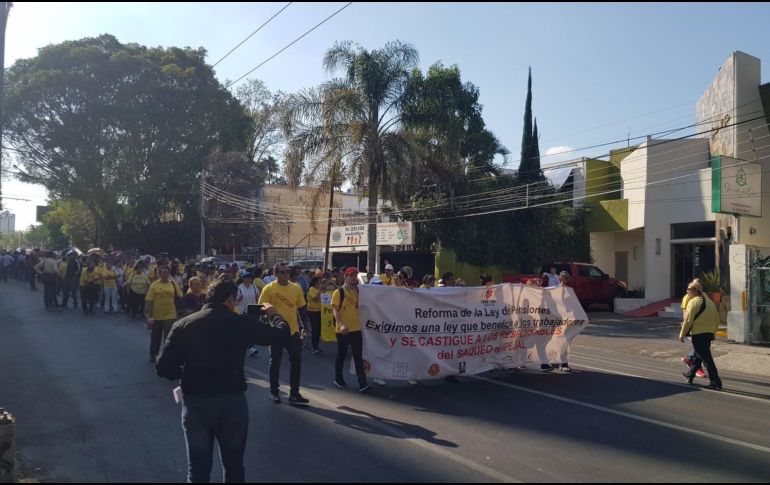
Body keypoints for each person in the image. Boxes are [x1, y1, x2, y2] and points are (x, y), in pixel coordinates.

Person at [156, 280, 290, 483]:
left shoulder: (184, 324)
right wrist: (274, 315)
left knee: (198, 470)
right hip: (231, 404)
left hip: (196, 404)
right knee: (234, 467)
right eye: (235, 299)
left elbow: (163, 367)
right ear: (229, 299)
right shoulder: (241, 322)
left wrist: (187, 372)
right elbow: (280, 335)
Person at [258, 262, 309, 405]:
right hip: (276, 331)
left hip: (293, 331)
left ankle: (294, 393)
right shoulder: (268, 289)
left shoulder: (296, 288)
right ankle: (274, 392)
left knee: (297, 361)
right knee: (275, 362)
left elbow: (302, 309)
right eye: (282, 272)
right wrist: (266, 326)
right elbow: (261, 310)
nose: (285, 274)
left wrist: (304, 327)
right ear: (275, 274)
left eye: (287, 272)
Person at [332, 267, 372, 393]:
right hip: (343, 330)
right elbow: (335, 310)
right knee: (341, 355)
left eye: (355, 275)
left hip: (356, 328)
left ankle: (362, 383)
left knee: (357, 356)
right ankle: (338, 378)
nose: (354, 278)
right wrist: (341, 324)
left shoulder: (359, 291)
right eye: (351, 275)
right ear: (346, 276)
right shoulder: (339, 292)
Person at [679, 282, 723, 390]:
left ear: (695, 291)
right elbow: (717, 319)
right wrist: (713, 331)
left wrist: (682, 334)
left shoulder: (693, 303)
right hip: (708, 333)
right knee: (700, 356)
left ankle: (716, 382)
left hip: (698, 334)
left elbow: (688, 321)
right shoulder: (710, 302)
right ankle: (690, 375)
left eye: (689, 289)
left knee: (706, 359)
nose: (687, 291)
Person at [145, 266, 183, 364]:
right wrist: (149, 316)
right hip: (157, 314)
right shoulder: (154, 285)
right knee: (156, 336)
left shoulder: (173, 284)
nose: (164, 274)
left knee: (168, 337)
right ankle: (153, 354)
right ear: (159, 274)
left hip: (170, 313)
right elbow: (149, 301)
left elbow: (180, 295)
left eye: (166, 272)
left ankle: (166, 356)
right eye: (162, 272)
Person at [681, 278, 707, 378]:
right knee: (699, 348)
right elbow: (685, 313)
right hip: (691, 326)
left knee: (700, 347)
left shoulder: (701, 297)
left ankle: (690, 360)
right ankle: (693, 363)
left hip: (699, 325)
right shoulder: (687, 298)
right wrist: (685, 325)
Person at [307, 276, 323, 355]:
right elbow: (316, 299)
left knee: (318, 329)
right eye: (319, 281)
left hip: (320, 311)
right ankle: (314, 347)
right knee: (315, 329)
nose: (320, 283)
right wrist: (320, 290)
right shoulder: (311, 289)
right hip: (313, 312)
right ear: (315, 282)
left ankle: (316, 345)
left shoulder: (318, 289)